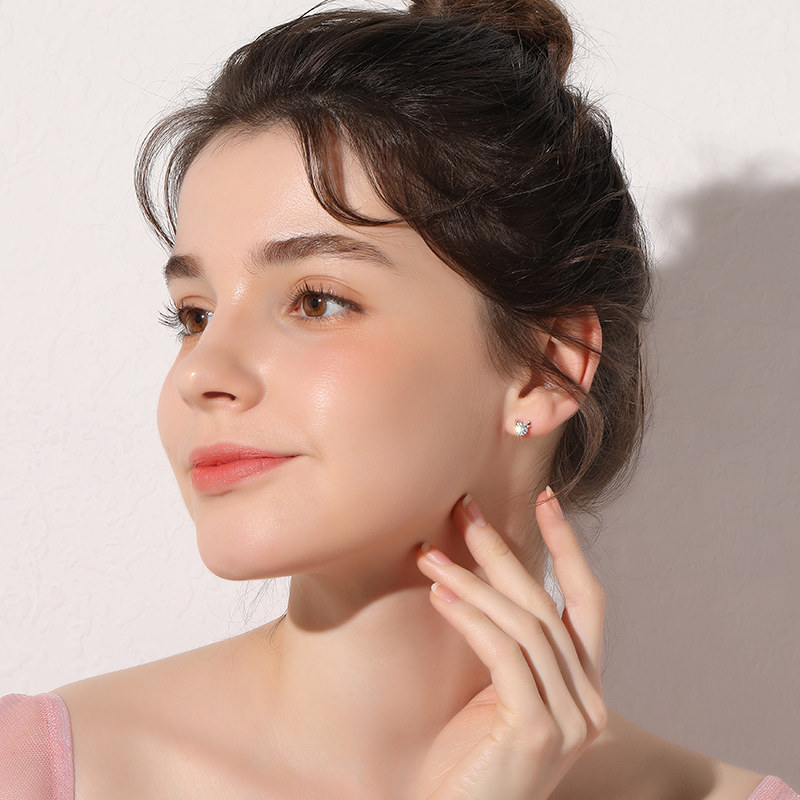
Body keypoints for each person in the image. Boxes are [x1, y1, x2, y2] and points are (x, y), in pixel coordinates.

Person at [0, 0, 797, 798]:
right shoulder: (35, 769)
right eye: (195, 315)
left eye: (316, 300)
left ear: (545, 369)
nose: (200, 372)